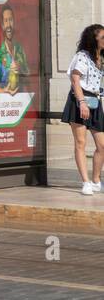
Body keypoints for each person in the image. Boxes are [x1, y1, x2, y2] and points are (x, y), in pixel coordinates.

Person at [62, 23, 104, 196]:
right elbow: (75, 79)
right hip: (79, 100)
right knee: (81, 142)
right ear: (93, 40)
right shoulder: (82, 56)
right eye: (102, 37)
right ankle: (85, 182)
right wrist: (82, 102)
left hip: (95, 100)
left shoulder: (101, 58)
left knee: (102, 145)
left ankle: (95, 179)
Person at [0, 6, 29, 94]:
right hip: (7, 104)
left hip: (22, 102)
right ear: (2, 25)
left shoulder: (20, 49)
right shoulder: (0, 55)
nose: (8, 25)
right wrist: (5, 91)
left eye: (10, 20)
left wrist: (20, 67)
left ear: (14, 22)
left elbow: (28, 73)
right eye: (6, 21)